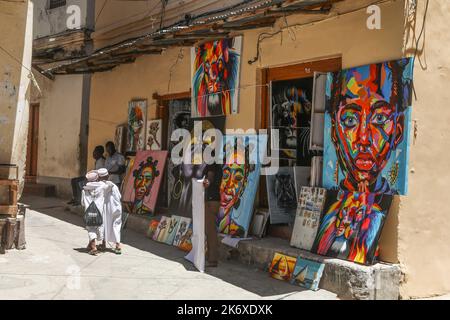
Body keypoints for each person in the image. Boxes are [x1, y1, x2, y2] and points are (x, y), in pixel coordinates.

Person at [97, 168, 123, 255]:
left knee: (105, 224)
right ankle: (118, 246)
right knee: (116, 225)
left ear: (99, 177)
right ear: (108, 176)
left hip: (107, 208)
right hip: (117, 208)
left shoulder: (100, 186)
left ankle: (104, 243)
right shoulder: (114, 185)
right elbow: (119, 196)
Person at [203, 163, 222, 268]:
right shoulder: (218, 166)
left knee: (210, 232)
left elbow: (209, 179)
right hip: (215, 200)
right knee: (210, 230)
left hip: (210, 201)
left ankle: (212, 259)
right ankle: (210, 256)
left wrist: (204, 182)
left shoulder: (211, 165)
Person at [81, 170, 104, 256]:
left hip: (89, 211)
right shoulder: (101, 187)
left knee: (90, 228)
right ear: (97, 178)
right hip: (99, 211)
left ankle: (94, 247)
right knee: (96, 227)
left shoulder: (84, 190)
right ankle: (90, 245)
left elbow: (83, 203)